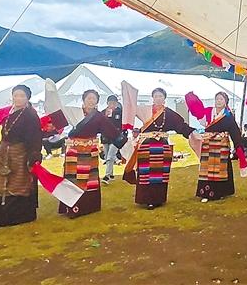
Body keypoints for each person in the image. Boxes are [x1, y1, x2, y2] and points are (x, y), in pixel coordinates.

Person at [121, 86, 197, 209]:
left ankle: (159, 198)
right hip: (146, 146)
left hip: (162, 147)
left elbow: (180, 125)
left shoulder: (169, 113)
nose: (158, 98)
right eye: (156, 96)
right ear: (152, 98)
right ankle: (145, 199)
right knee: (145, 173)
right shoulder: (145, 110)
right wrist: (128, 92)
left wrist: (192, 132)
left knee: (160, 173)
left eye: (160, 96)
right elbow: (131, 107)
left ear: (164, 98)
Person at [0, 85, 43, 231]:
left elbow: (35, 137)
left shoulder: (31, 115)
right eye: (16, 95)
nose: (18, 98)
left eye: (22, 96)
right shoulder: (9, 112)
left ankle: (18, 217)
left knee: (18, 184)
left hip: (20, 154)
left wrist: (34, 156)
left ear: (27, 98)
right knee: (0, 185)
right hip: (4, 153)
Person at [59, 89, 122, 218]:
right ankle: (70, 207)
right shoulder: (74, 112)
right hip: (74, 151)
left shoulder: (99, 116)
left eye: (94, 98)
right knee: (72, 178)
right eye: (89, 98)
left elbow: (111, 130)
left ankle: (88, 206)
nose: (91, 101)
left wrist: (123, 142)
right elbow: (59, 119)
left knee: (89, 178)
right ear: (83, 99)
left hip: (90, 151)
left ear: (97, 101)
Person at [186, 91, 246, 202]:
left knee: (220, 169)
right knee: (206, 169)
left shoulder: (228, 116)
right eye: (217, 99)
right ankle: (205, 193)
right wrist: (191, 98)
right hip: (208, 145)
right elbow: (198, 112)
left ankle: (220, 192)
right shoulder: (208, 111)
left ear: (225, 102)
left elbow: (235, 133)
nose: (218, 101)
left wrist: (239, 149)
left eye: (221, 99)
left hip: (221, 145)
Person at [100, 95, 123, 184]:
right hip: (105, 137)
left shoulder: (120, 112)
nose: (112, 105)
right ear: (107, 103)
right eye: (110, 103)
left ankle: (107, 176)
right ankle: (111, 174)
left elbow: (123, 124)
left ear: (117, 103)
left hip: (116, 137)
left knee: (110, 156)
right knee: (107, 156)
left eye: (114, 103)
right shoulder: (103, 112)